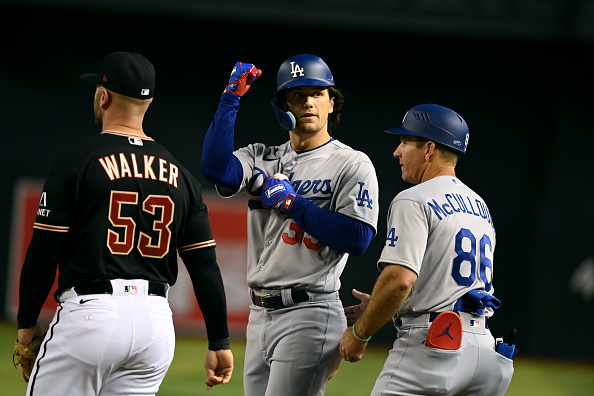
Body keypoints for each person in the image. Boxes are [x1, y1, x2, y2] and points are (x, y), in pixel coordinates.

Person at [15, 51, 233, 395]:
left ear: (103, 96)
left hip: (91, 315)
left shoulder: (77, 162)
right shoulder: (182, 176)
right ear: (148, 103)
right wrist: (219, 339)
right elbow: (205, 265)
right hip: (156, 326)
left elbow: (43, 252)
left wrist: (27, 321)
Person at [201, 54, 379, 395]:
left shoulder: (350, 163)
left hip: (310, 311)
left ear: (331, 102)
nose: (308, 102)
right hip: (259, 313)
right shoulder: (262, 156)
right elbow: (215, 169)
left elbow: (357, 238)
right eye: (297, 95)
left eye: (317, 93)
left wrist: (294, 204)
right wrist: (230, 99)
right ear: (282, 106)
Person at [339, 104, 516, 395]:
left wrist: (360, 333)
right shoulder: (480, 206)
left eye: (406, 142)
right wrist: (379, 306)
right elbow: (442, 282)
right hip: (486, 353)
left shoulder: (414, 198)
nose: (397, 151)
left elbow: (399, 281)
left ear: (429, 149)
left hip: (435, 346)